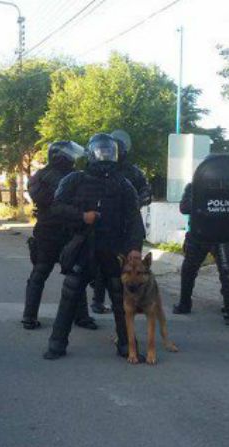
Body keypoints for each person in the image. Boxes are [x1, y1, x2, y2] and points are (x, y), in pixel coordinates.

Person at [43, 133, 144, 360]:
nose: (106, 155)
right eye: (102, 151)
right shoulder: (74, 180)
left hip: (113, 247)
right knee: (70, 295)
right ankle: (56, 344)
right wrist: (82, 216)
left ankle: (127, 345)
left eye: (109, 151)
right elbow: (55, 209)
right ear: (91, 153)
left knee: (120, 297)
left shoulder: (123, 184)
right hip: (83, 246)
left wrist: (134, 248)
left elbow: (134, 219)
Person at [21, 141, 97, 331]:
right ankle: (81, 317)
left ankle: (29, 317)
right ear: (60, 156)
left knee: (41, 273)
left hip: (49, 230)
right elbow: (70, 204)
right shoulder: (65, 177)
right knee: (74, 274)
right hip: (63, 231)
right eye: (69, 154)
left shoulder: (41, 175)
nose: (73, 158)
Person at [90, 130, 151, 314]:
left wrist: (133, 204)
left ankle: (132, 301)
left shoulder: (134, 172)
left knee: (132, 265)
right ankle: (98, 300)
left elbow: (146, 192)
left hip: (129, 224)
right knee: (102, 265)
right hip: (107, 223)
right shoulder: (102, 170)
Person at [172, 182, 229, 325]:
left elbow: (184, 207)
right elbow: (184, 208)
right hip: (209, 234)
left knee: (225, 272)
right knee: (192, 270)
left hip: (211, 233)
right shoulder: (196, 186)